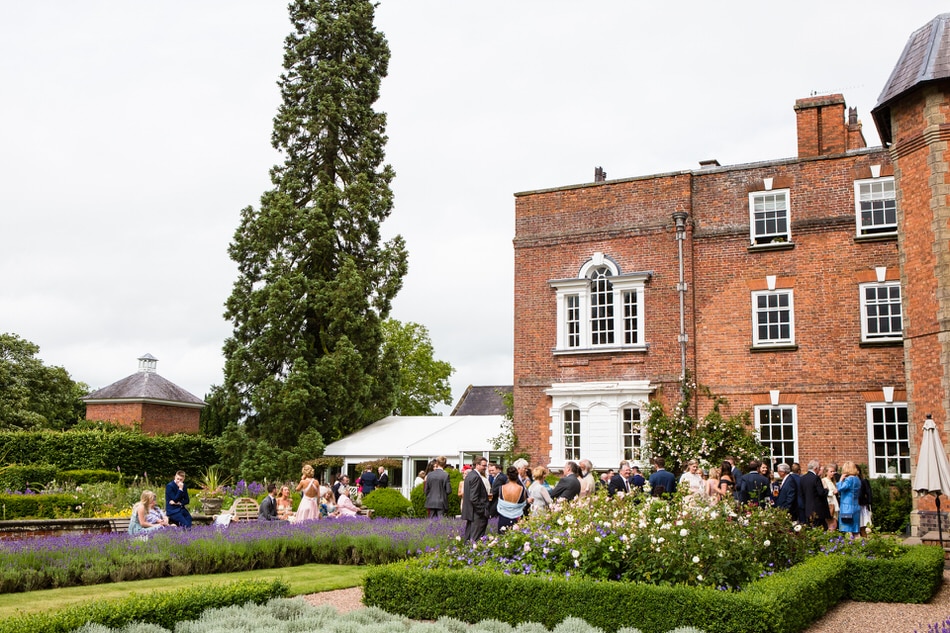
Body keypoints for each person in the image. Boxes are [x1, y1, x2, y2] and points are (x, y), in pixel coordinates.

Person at [461, 457, 490, 541]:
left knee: (469, 537)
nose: (485, 468)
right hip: (476, 514)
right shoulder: (475, 477)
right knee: (476, 539)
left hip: (471, 512)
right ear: (477, 465)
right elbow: (474, 498)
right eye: (484, 466)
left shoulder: (470, 475)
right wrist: (482, 511)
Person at [801, 459, 830, 528]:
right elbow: (821, 493)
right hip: (817, 510)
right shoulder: (816, 478)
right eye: (819, 468)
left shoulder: (803, 478)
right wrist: (826, 490)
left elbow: (802, 494)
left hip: (807, 509)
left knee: (810, 529)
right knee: (822, 529)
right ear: (815, 468)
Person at [496, 466, 527, 531]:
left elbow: (499, 502)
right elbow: (524, 503)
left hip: (503, 516)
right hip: (517, 517)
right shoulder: (521, 489)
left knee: (502, 538)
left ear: (507, 476)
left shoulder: (502, 488)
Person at [836, 461, 862, 537]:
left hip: (846, 507)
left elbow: (840, 488)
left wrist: (840, 480)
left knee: (848, 529)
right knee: (855, 529)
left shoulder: (849, 480)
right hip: (855, 506)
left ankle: (850, 546)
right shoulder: (857, 479)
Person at [857, 464, 873, 538]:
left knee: (862, 526)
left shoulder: (863, 481)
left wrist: (869, 504)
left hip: (861, 505)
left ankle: (864, 541)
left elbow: (868, 492)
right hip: (853, 506)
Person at [822, 464, 839, 530]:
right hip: (830, 504)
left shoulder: (832, 481)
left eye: (833, 471)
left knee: (834, 524)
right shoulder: (824, 480)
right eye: (831, 471)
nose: (832, 473)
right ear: (826, 472)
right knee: (832, 525)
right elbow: (824, 492)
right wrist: (832, 492)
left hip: (834, 503)